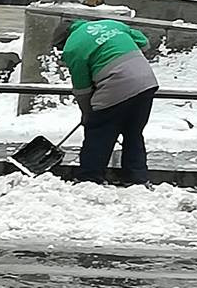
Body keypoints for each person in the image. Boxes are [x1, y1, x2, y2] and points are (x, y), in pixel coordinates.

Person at [53, 18, 158, 185]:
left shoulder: (72, 47)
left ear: (64, 40)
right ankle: (136, 178)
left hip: (115, 82)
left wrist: (88, 113)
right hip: (146, 82)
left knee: (98, 131)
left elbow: (82, 89)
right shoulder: (111, 24)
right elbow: (144, 43)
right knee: (133, 132)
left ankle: (89, 178)